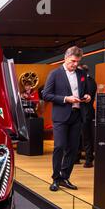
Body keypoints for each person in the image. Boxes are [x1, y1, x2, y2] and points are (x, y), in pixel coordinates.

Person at [42, 46, 90, 192]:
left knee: (73, 149)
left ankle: (64, 177)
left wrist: (87, 96)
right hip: (61, 117)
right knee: (59, 146)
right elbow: (46, 95)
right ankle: (56, 179)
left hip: (77, 115)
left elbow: (85, 90)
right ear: (66, 58)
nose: (75, 64)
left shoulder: (81, 74)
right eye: (73, 61)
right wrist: (65, 99)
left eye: (77, 61)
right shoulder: (55, 74)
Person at [77, 64, 97, 168]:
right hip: (81, 112)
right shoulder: (84, 81)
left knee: (86, 137)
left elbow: (86, 98)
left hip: (87, 113)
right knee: (79, 136)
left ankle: (89, 160)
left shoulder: (90, 81)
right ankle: (77, 157)